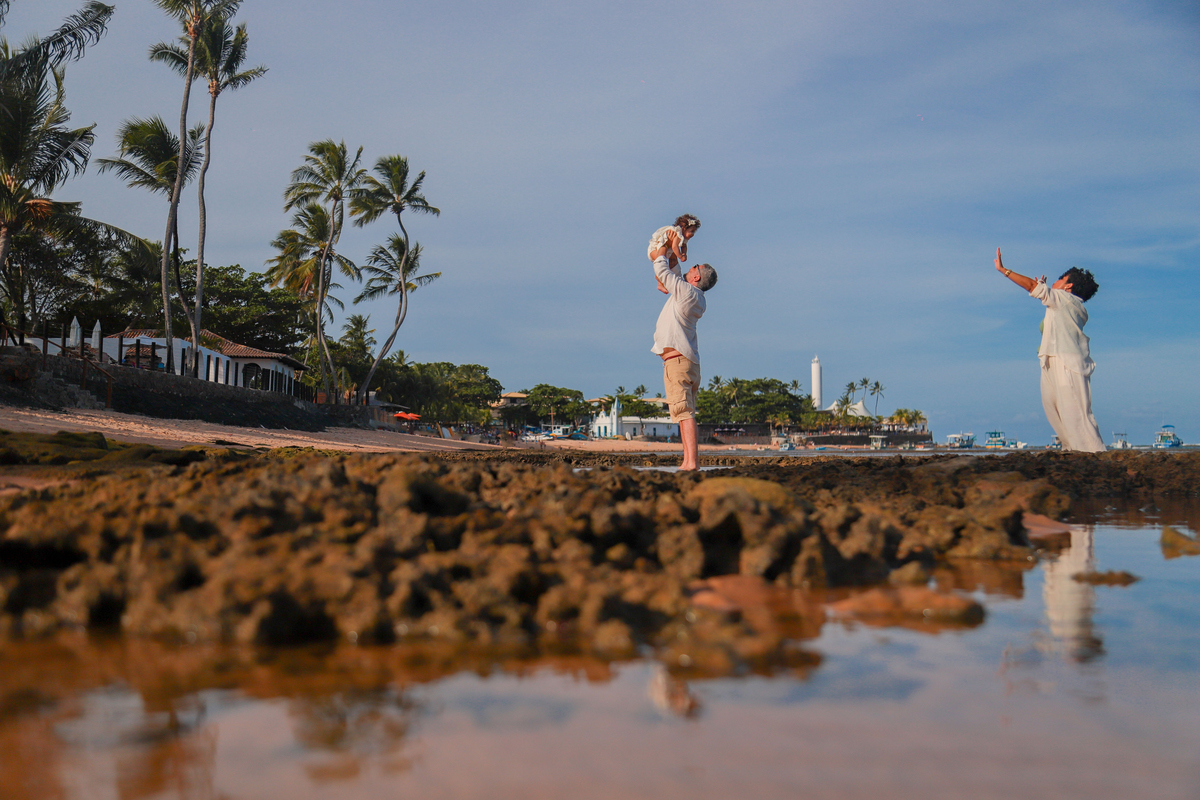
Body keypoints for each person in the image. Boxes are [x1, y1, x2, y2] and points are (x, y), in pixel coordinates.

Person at [994, 247, 1105, 452]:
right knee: (1055, 410)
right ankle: (1071, 451)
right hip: (1051, 359)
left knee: (1075, 412)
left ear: (1068, 285)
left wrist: (1004, 270)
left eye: (1060, 279)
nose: (1056, 281)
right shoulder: (1064, 302)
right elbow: (1046, 302)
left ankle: (1095, 454)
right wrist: (1043, 289)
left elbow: (1031, 286)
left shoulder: (1064, 299)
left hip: (1065, 361)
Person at [651, 253, 718, 470]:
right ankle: (688, 461)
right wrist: (673, 254)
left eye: (695, 266)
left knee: (684, 413)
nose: (691, 267)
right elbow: (675, 273)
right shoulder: (695, 296)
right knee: (684, 413)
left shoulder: (686, 292)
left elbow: (663, 272)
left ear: (696, 277)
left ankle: (691, 463)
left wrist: (659, 256)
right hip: (687, 362)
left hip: (678, 361)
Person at [649, 214, 701, 294]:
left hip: (667, 251)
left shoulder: (684, 238)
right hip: (655, 249)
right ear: (683, 228)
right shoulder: (677, 233)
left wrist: (684, 254)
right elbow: (674, 247)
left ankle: (662, 278)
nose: (693, 234)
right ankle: (660, 282)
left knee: (670, 264)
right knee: (663, 257)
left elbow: (684, 246)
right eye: (691, 231)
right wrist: (680, 256)